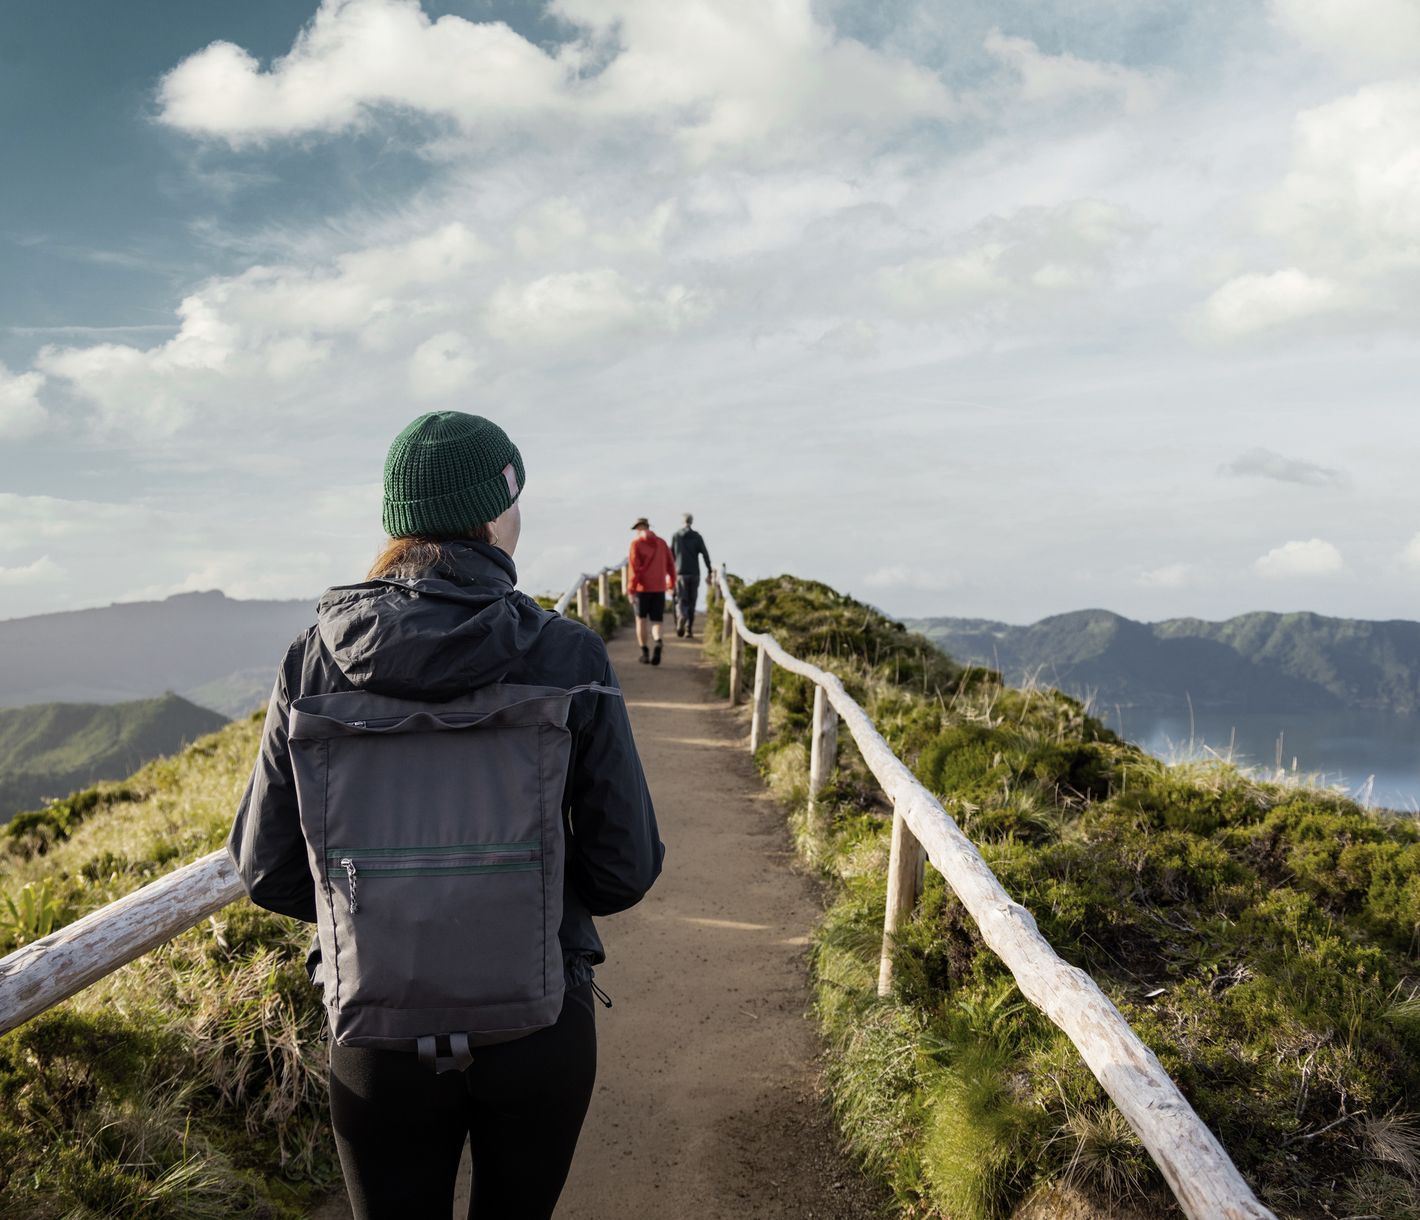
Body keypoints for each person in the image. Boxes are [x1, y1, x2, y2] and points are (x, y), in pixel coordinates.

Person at [227, 411, 664, 1220]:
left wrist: (388, 914)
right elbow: (624, 870)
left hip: (375, 1034)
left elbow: (266, 869)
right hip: (539, 1025)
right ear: (494, 515)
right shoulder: (568, 655)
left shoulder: (310, 660)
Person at [626, 517, 675, 666]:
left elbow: (634, 569)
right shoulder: (662, 543)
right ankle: (658, 641)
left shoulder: (636, 544)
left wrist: (631, 589)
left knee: (641, 620)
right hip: (659, 588)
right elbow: (671, 565)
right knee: (657, 621)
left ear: (639, 528)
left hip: (642, 589)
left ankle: (645, 652)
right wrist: (671, 584)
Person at [669, 513, 712, 639]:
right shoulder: (697, 536)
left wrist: (669, 573)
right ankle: (688, 630)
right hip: (694, 573)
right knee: (692, 601)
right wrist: (709, 570)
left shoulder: (676, 536)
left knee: (682, 599)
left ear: (683, 521)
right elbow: (705, 554)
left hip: (680, 573)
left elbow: (671, 556)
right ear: (691, 521)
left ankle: (682, 616)